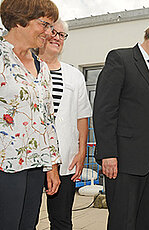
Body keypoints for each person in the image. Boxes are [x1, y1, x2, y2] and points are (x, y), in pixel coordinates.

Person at [93, 20, 149, 230]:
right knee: (123, 222)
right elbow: (105, 110)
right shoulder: (120, 60)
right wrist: (107, 153)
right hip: (125, 162)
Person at [0, 0, 61, 229]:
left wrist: (52, 166)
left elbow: (47, 120)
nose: (49, 33)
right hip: (5, 166)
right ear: (20, 20)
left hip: (34, 166)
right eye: (44, 24)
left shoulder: (41, 66)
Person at [37, 19, 92, 230]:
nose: (57, 38)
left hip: (65, 159)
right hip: (32, 159)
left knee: (61, 220)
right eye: (54, 32)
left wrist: (81, 152)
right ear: (42, 34)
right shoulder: (28, 69)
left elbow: (82, 116)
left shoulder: (74, 76)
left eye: (62, 35)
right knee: (26, 217)